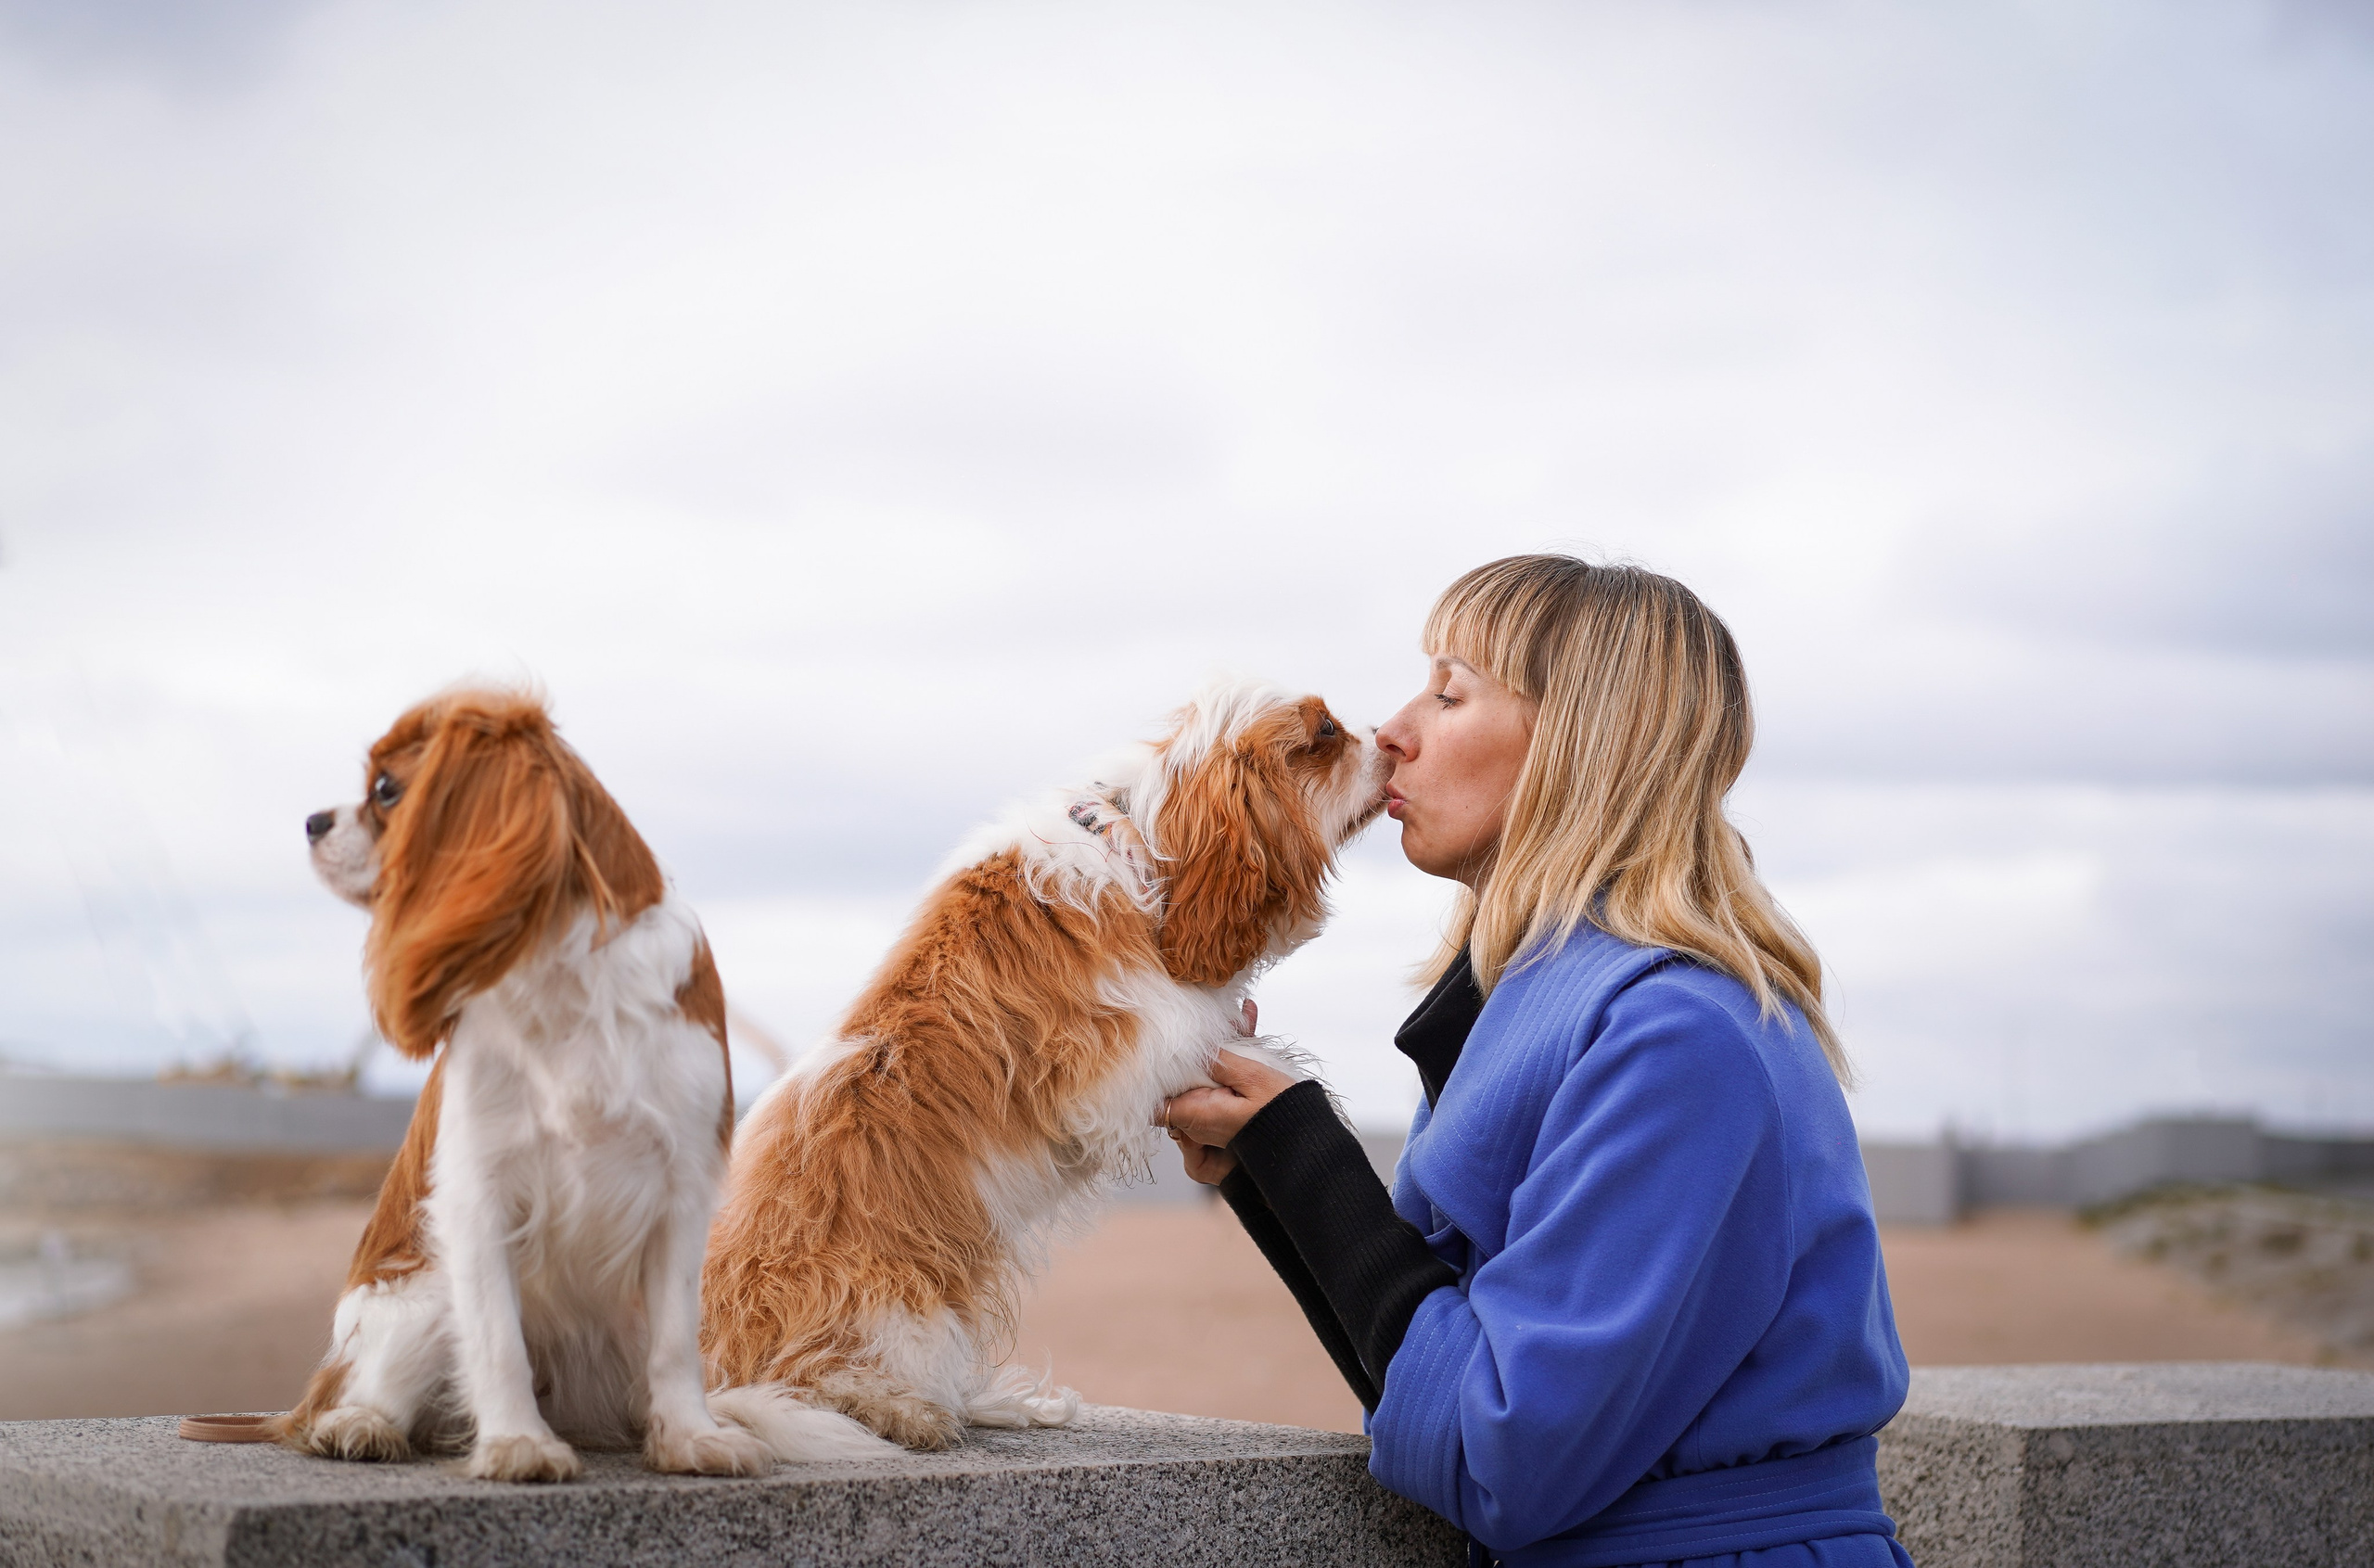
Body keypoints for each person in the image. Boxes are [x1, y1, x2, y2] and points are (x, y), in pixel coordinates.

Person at [1161, 555, 1914, 1568]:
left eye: (1449, 691)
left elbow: (1504, 1457)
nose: (1393, 729)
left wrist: (1307, 1150)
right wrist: (1272, 1163)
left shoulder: (1677, 1038)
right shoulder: (1543, 1008)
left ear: (1579, 740)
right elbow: (1436, 1393)